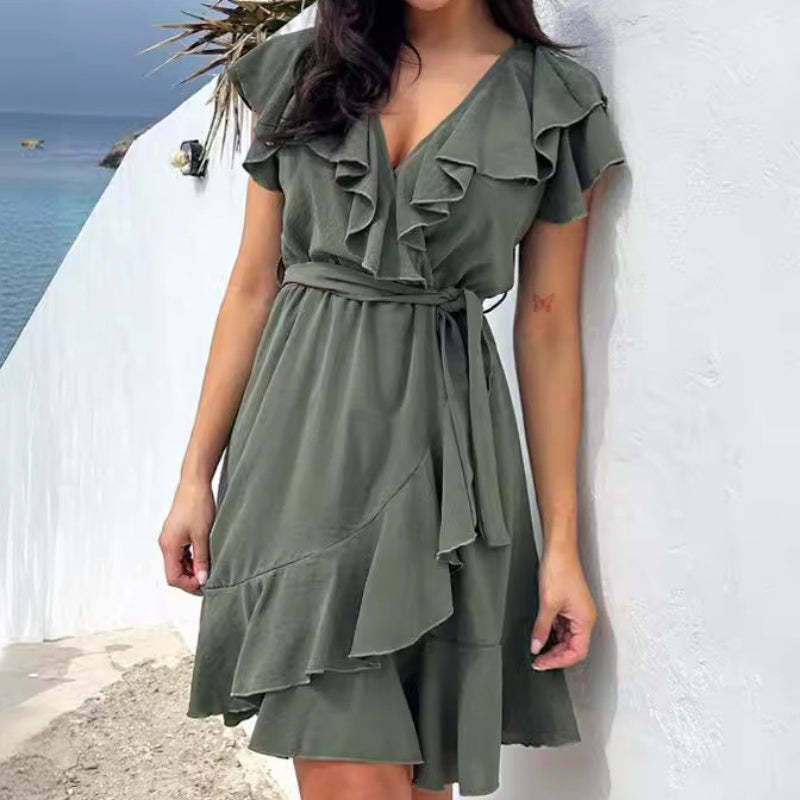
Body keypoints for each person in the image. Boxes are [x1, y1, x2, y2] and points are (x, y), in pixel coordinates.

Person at [159, 0, 625, 797]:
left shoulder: (551, 102)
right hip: (298, 448)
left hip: (448, 461)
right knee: (341, 743)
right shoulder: (304, 70)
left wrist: (560, 549)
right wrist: (194, 476)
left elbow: (549, 330)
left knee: (418, 770)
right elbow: (251, 286)